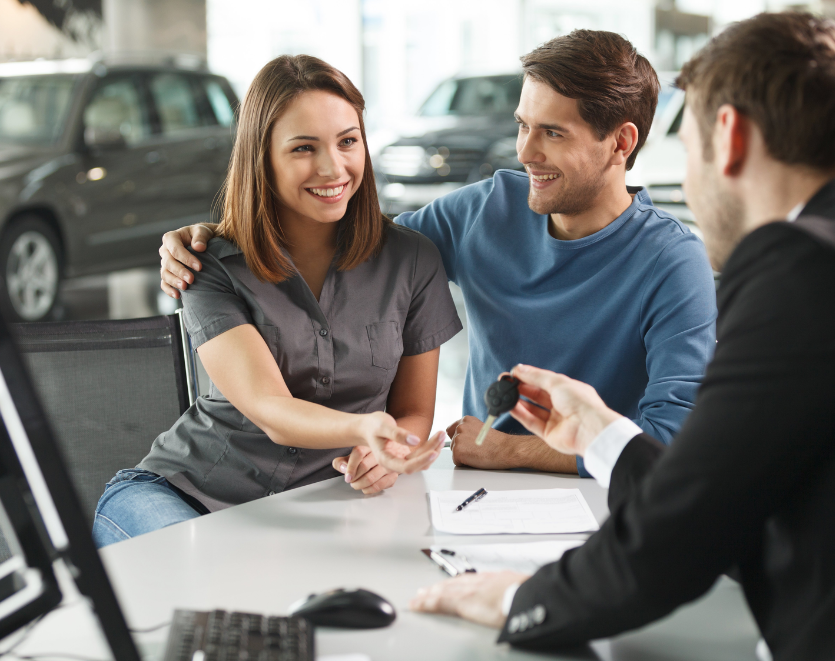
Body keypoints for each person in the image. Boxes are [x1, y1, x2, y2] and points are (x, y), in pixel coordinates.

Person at [409, 12, 835, 660]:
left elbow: (686, 528)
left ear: (730, 136)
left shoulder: (798, 268)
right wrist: (600, 433)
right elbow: (728, 482)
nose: (687, 181)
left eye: (687, 152)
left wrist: (514, 601)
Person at [157, 31, 718, 481]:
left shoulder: (673, 261)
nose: (525, 151)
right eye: (523, 125)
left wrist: (511, 452)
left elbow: (671, 440)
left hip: (604, 499)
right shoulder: (483, 212)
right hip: (478, 492)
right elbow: (350, 239)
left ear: (621, 142)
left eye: (552, 132)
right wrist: (217, 235)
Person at [92, 55, 460, 547]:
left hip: (319, 507)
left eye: (348, 141)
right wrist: (368, 427)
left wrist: (388, 453)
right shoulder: (209, 264)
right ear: (261, 157)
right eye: (304, 148)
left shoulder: (412, 260)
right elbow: (269, 408)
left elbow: (414, 411)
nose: (334, 167)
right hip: (182, 496)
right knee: (210, 585)